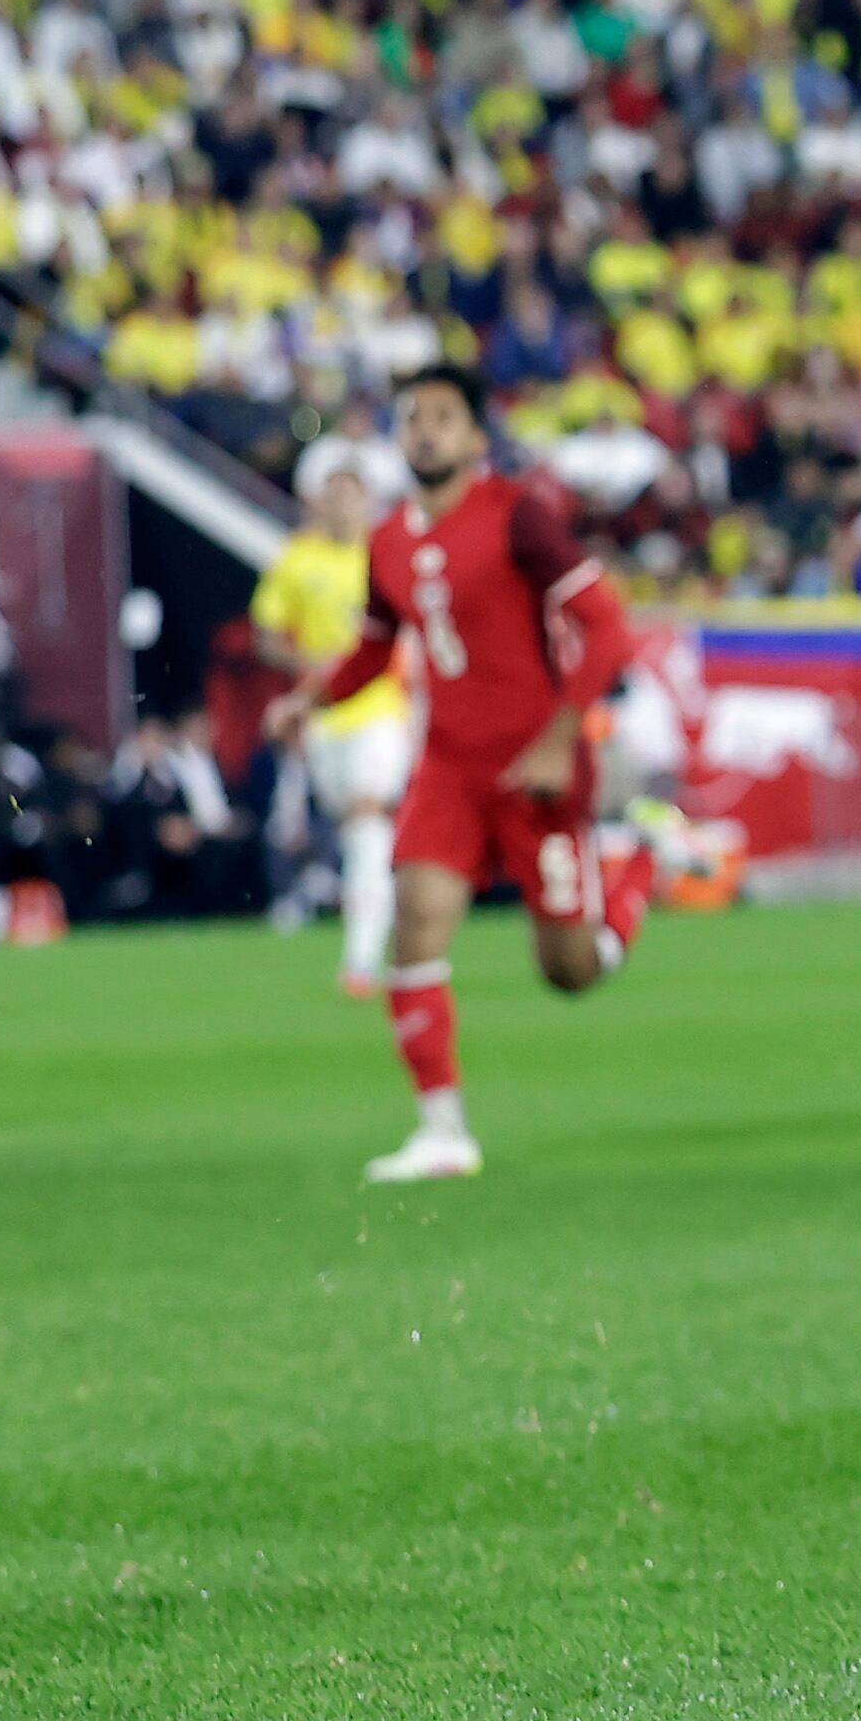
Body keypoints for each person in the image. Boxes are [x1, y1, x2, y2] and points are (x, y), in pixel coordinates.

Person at [259, 364, 656, 1183]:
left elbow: (607, 628)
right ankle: (443, 1131)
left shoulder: (519, 518)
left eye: (443, 416)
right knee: (416, 918)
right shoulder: (388, 540)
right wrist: (310, 697)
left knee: (568, 971)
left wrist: (558, 736)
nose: (426, 431)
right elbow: (375, 647)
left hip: (535, 768)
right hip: (447, 766)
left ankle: (644, 867)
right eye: (413, 418)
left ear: (476, 437)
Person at [250, 454, 412, 994]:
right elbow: (267, 633)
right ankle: (387, 922)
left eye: (353, 493)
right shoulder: (297, 559)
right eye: (335, 494)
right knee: (353, 828)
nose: (345, 505)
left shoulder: (386, 550)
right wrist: (306, 668)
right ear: (319, 500)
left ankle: (361, 958)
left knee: (369, 819)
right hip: (324, 711)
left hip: (382, 705)